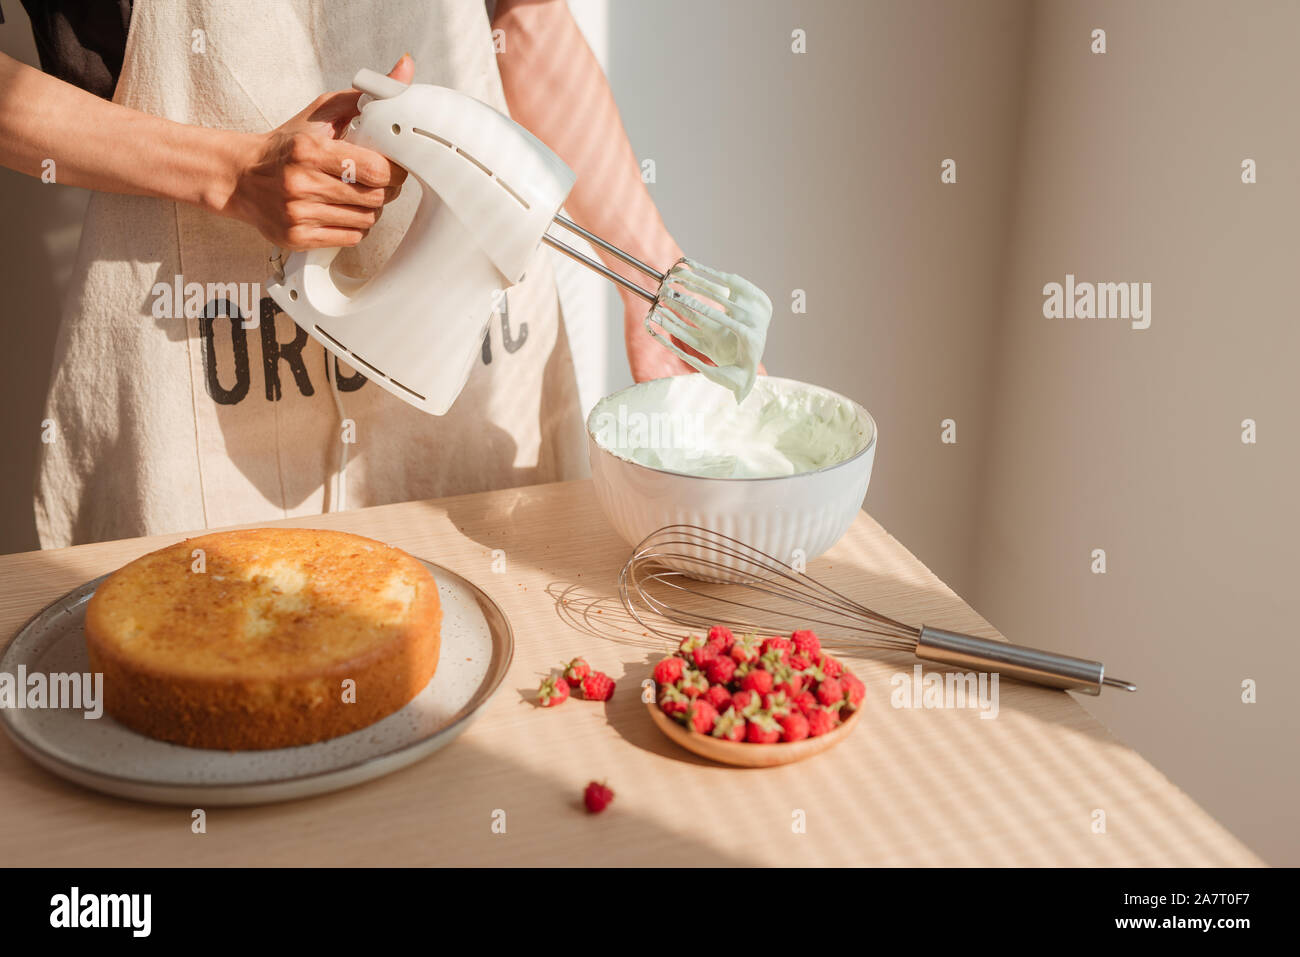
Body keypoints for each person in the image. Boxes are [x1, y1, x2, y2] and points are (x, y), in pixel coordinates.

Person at [0, 0, 693, 547]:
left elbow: (526, 17)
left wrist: (658, 284)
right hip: (195, 369)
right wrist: (233, 175)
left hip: (469, 367)